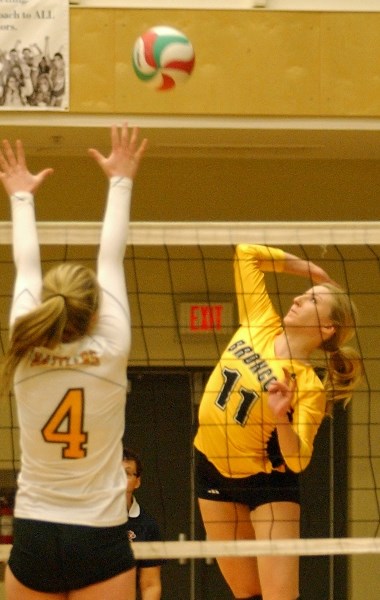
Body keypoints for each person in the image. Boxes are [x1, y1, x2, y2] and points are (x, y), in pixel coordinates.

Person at [0, 123, 148, 600]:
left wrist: (21, 196)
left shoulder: (23, 342)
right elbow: (112, 258)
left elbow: (25, 264)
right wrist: (120, 179)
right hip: (100, 531)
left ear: (47, 302)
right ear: (93, 310)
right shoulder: (111, 346)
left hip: (36, 530)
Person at [194, 244, 363, 600]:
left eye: (313, 301)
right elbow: (246, 254)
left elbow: (298, 459)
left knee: (278, 597)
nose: (300, 299)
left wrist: (281, 418)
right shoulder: (259, 321)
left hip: (266, 482)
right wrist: (311, 271)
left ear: (327, 328)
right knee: (247, 593)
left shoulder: (308, 385)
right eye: (305, 294)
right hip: (210, 467)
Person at [123, 448, 163, 600]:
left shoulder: (147, 526)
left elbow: (150, 585)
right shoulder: (90, 519)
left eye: (127, 473)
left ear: (137, 482)